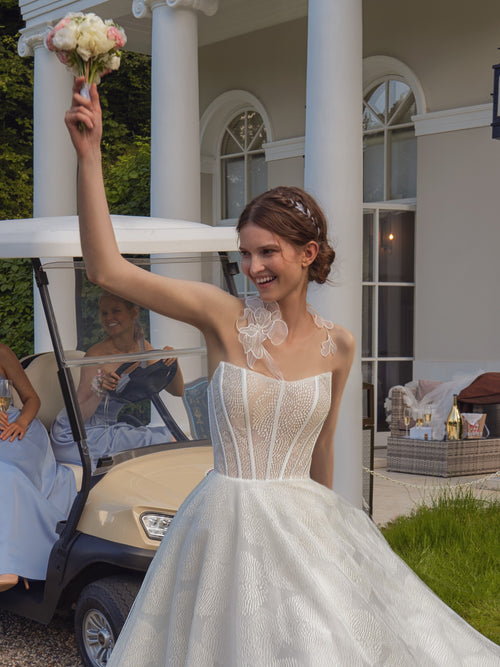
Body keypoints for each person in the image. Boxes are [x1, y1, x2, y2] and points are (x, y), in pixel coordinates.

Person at [65, 78, 500, 666]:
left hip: (303, 529)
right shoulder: (223, 317)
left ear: (307, 253)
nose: (253, 267)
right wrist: (89, 155)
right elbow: (106, 270)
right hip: (223, 527)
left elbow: (322, 453)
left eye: (267, 251)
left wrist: (327, 539)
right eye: (245, 253)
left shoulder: (339, 346)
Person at [51, 291, 184, 470]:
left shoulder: (143, 348)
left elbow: (178, 391)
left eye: (116, 311)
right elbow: (80, 415)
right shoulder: (96, 355)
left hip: (108, 431)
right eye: (104, 313)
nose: (109, 318)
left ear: (134, 313)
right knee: (168, 439)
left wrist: (172, 362)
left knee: (173, 436)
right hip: (76, 436)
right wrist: (99, 386)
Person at [0, 343, 76, 592]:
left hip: (16, 430)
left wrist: (21, 422)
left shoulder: (1, 352)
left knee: (7, 470)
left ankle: (9, 567)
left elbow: (32, 399)